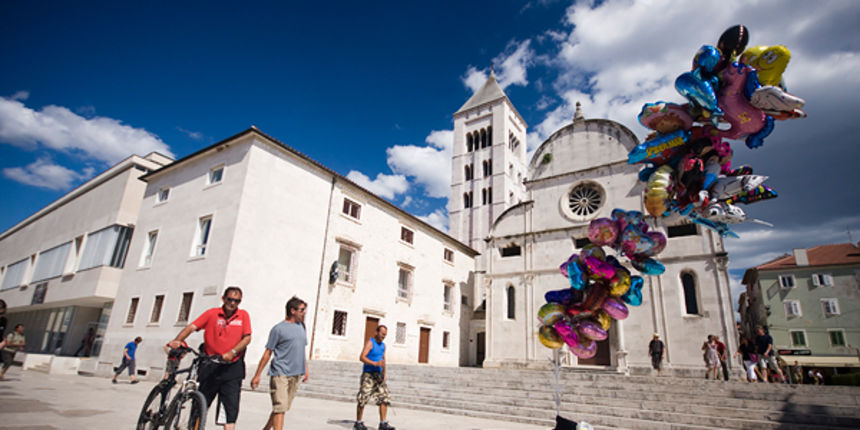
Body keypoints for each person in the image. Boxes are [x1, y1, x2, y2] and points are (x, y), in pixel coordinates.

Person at [167, 286, 251, 430]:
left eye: (236, 301)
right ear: (223, 299)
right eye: (230, 299)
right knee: (200, 405)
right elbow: (191, 327)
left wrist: (232, 352)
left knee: (230, 410)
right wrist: (177, 341)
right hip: (210, 365)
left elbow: (247, 338)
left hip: (232, 368)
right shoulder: (212, 314)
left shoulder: (243, 315)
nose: (233, 303)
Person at [251, 296, 310, 430]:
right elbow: (268, 352)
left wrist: (306, 368)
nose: (304, 312)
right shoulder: (278, 329)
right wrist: (257, 374)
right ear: (292, 311)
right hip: (280, 373)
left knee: (282, 407)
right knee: (280, 407)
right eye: (301, 310)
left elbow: (302, 349)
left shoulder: (302, 327)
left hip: (296, 373)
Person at [355, 325, 394, 430]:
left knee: (384, 398)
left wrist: (384, 374)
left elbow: (383, 360)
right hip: (369, 375)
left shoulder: (383, 346)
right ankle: (358, 422)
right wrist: (374, 364)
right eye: (382, 334)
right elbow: (362, 357)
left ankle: (383, 423)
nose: (383, 336)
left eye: (385, 334)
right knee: (363, 398)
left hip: (379, 376)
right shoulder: (370, 342)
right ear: (376, 332)